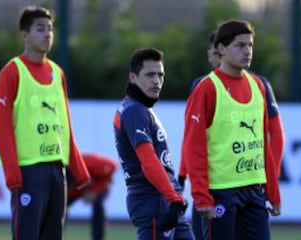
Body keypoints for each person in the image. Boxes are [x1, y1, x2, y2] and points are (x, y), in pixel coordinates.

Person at [0, 5, 90, 240]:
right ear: (25, 35)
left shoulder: (58, 73)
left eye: (50, 29)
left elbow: (65, 124)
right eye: (40, 29)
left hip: (57, 170)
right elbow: (0, 126)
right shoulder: (12, 72)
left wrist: (78, 167)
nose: (48, 34)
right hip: (28, 170)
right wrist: (11, 170)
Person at [178, 28, 285, 240]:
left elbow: (263, 141)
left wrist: (272, 190)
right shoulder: (205, 87)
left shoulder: (258, 85)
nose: (247, 51)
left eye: (250, 45)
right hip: (221, 192)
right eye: (240, 45)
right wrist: (199, 194)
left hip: (254, 191)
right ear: (221, 49)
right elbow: (193, 144)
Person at [113, 48, 194, 240]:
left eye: (160, 75)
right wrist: (173, 199)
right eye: (150, 75)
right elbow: (148, 160)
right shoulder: (134, 111)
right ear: (133, 77)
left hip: (163, 198)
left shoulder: (139, 109)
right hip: (153, 198)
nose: (156, 81)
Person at [177, 29, 221, 240]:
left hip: (237, 185)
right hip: (208, 184)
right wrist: (183, 173)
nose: (221, 58)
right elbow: (192, 137)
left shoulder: (255, 84)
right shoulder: (201, 85)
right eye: (217, 52)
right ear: (210, 54)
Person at [67, 153, 118, 240]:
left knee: (98, 206)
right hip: (76, 190)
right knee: (59, 209)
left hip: (93, 186)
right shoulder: (64, 171)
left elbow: (113, 165)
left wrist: (94, 191)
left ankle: (98, 238)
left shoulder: (88, 163)